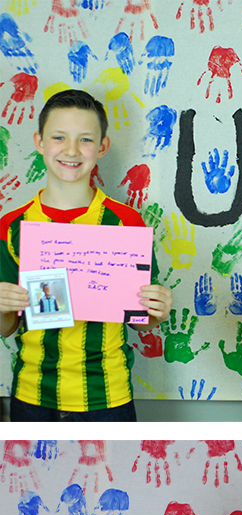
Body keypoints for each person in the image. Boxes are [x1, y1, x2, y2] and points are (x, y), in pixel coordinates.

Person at [0, 88, 172, 421]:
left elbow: (140, 319)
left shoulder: (126, 222)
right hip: (32, 394)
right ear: (39, 141)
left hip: (109, 396)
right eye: (59, 137)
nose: (71, 151)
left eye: (85, 140)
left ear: (102, 146)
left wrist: (156, 311)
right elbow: (6, 327)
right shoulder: (12, 225)